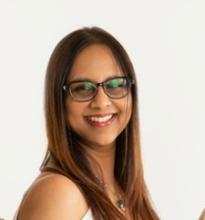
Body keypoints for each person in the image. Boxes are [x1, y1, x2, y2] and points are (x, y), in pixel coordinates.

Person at [14, 26, 159, 220]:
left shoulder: (124, 191)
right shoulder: (60, 193)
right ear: (59, 101)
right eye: (83, 88)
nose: (101, 102)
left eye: (115, 85)